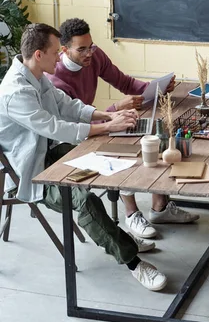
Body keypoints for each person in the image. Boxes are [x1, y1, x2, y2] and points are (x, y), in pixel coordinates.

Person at [0, 23, 167, 290]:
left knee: (110, 155)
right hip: (32, 172)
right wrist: (107, 125)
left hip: (50, 153)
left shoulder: (36, 74)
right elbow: (54, 126)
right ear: (40, 54)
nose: (60, 57)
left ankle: (125, 226)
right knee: (85, 200)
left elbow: (67, 105)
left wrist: (108, 116)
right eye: (56, 52)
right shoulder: (16, 92)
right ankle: (133, 262)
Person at [47, 18, 199, 246]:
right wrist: (115, 110)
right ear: (64, 50)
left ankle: (160, 207)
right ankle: (132, 214)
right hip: (72, 138)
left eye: (91, 46)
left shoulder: (94, 57)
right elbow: (75, 125)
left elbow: (124, 82)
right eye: (82, 49)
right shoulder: (56, 80)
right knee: (125, 148)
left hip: (96, 123)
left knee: (154, 136)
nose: (89, 53)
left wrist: (154, 89)